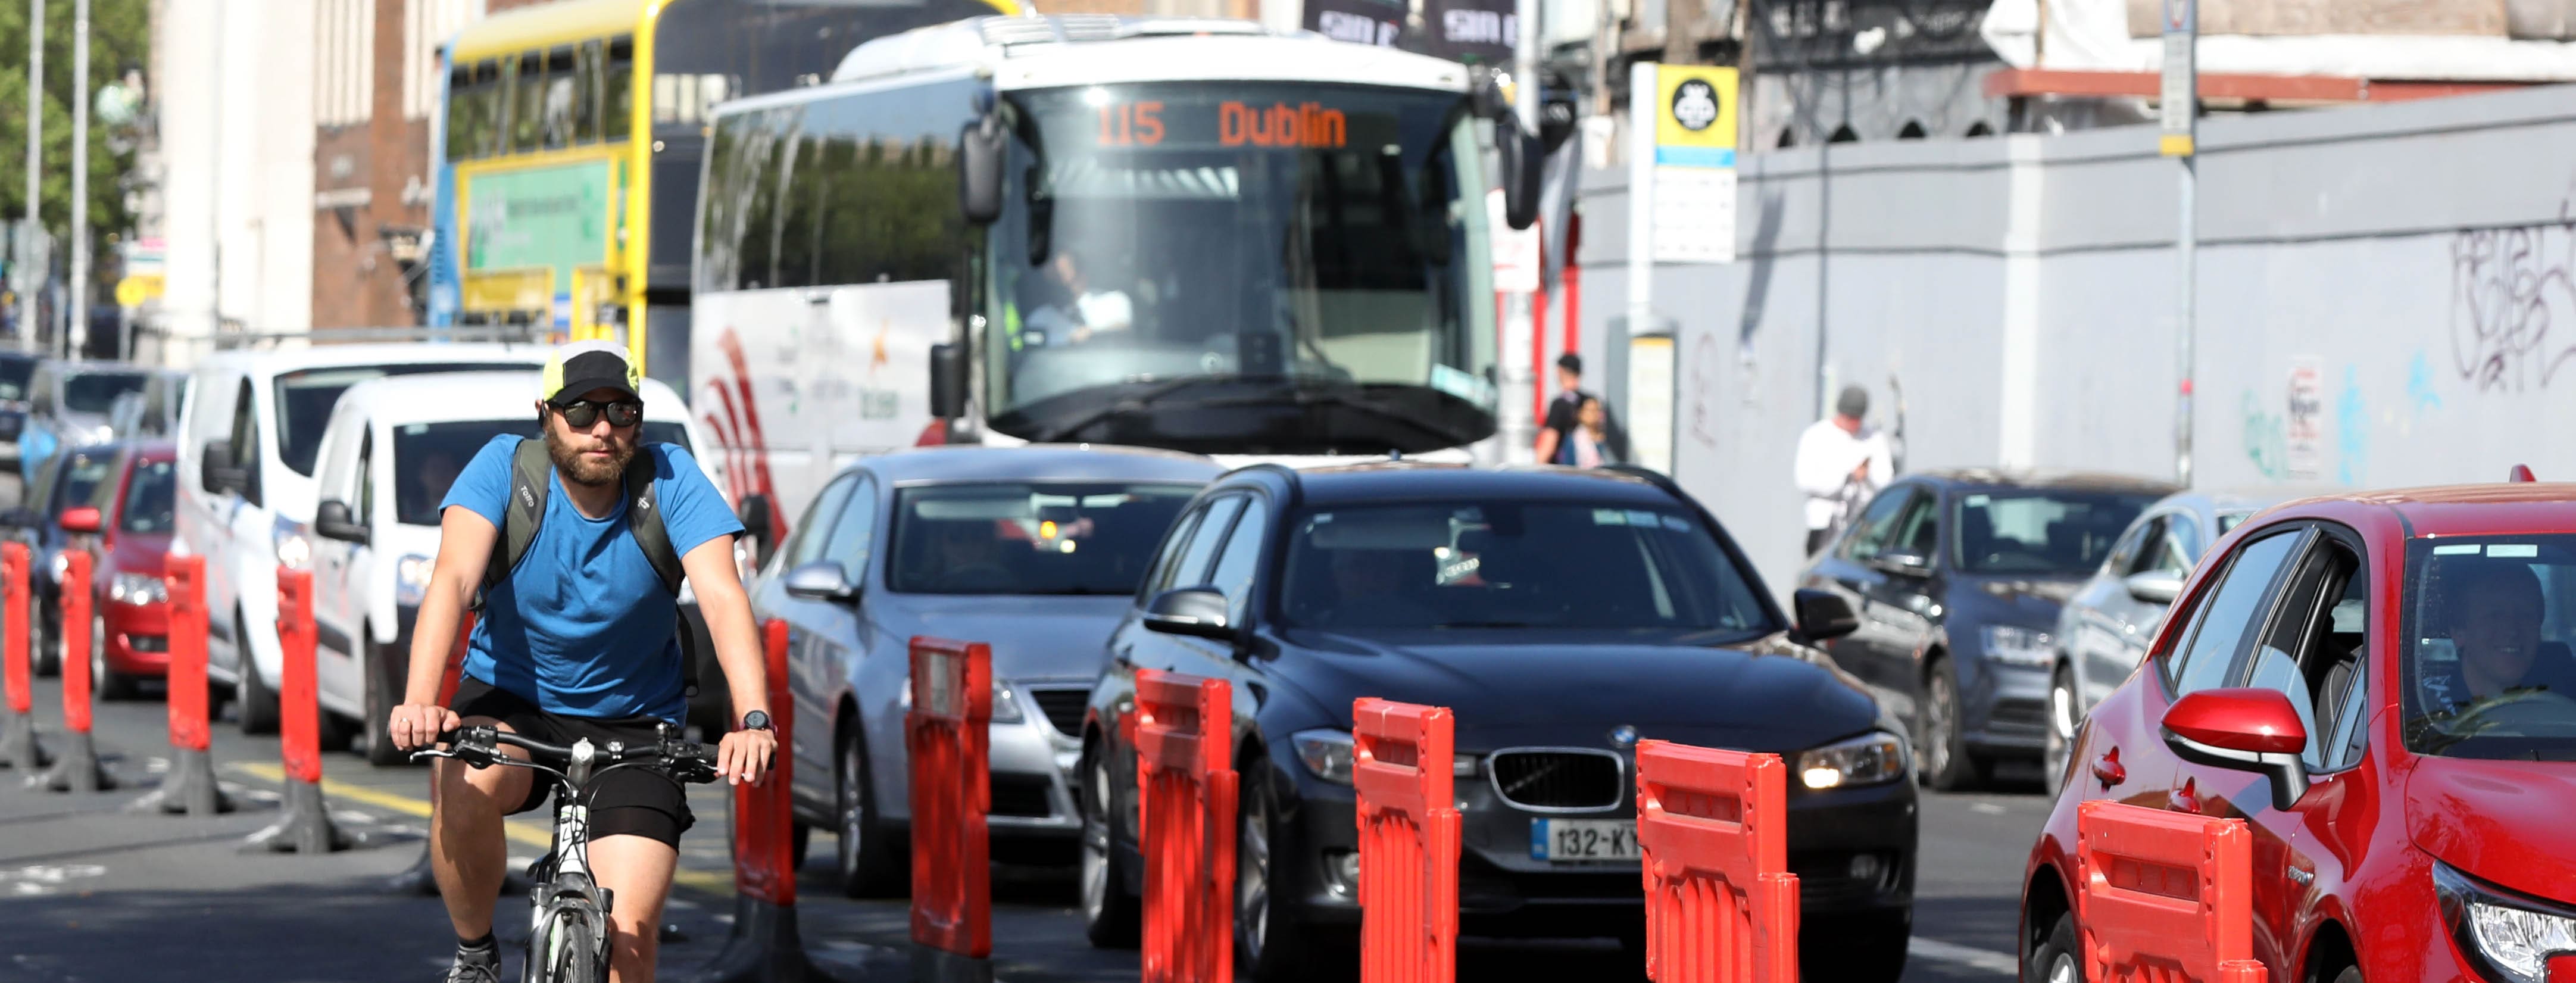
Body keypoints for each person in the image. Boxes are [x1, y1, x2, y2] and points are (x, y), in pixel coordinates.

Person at [386, 341, 776, 983]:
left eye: (621, 412)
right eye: (582, 411)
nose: (603, 428)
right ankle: (476, 953)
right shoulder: (503, 471)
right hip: (514, 703)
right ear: (545, 414)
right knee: (463, 782)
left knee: (629, 947)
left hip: (636, 723)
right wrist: (421, 700)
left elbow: (723, 596)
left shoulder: (669, 480)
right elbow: (453, 579)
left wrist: (753, 718)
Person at [2421, 561, 2576, 715]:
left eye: (2524, 615)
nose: (2512, 630)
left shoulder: (2569, 700)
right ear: (2459, 633)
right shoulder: (2422, 707)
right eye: (2495, 616)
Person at [1793, 385, 1894, 557]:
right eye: (1849, 417)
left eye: (1857, 418)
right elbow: (1804, 479)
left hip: (1863, 527)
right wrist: (1846, 477)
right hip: (1824, 524)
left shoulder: (1874, 439)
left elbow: (1886, 480)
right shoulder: (1816, 435)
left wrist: (1866, 474)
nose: (1853, 423)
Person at [1535, 353, 1622, 466]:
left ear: (1560, 371)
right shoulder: (1592, 401)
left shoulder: (1560, 404)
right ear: (1579, 373)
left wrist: (1536, 467)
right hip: (1590, 470)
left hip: (1564, 472)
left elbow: (1550, 441)